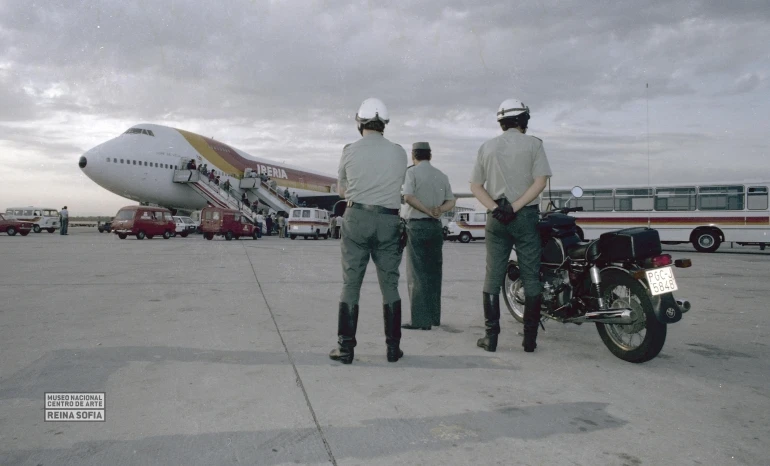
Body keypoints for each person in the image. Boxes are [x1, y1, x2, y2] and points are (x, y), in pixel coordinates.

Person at [329, 97, 408, 365]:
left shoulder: (349, 150)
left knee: (351, 283)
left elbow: (342, 189)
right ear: (384, 124)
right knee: (390, 285)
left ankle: (346, 349)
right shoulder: (399, 152)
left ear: (359, 123)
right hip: (388, 220)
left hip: (357, 217)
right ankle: (393, 349)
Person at [469, 99, 552, 353]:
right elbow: (540, 183)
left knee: (493, 276)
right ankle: (529, 341)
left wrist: (496, 208)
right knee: (531, 275)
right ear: (524, 121)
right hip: (524, 216)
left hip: (497, 219)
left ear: (501, 122)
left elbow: (475, 186)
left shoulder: (487, 147)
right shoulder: (534, 145)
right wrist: (515, 208)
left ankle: (491, 338)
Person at [400, 142, 456, 331]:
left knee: (416, 273)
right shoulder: (441, 175)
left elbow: (407, 197)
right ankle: (434, 317)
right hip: (435, 227)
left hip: (417, 225)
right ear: (430, 155)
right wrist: (438, 210)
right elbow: (452, 201)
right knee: (434, 272)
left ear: (413, 156)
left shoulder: (412, 173)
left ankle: (419, 320)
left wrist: (425, 210)